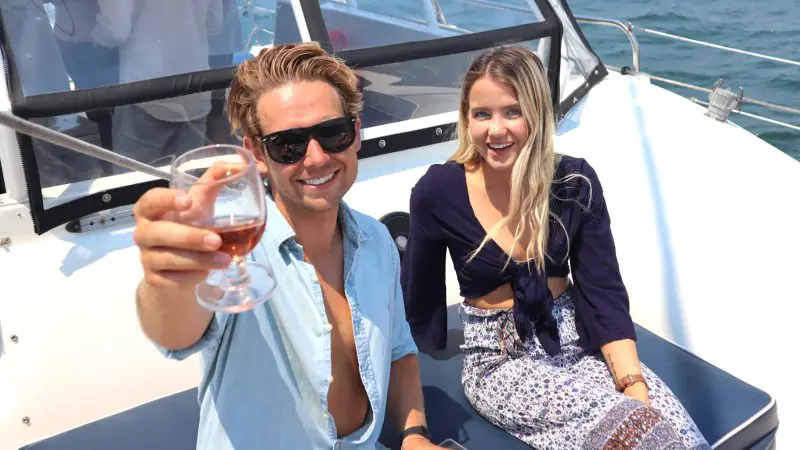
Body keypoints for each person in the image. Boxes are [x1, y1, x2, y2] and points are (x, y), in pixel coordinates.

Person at [133, 42, 443, 450]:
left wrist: (414, 433)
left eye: (333, 133)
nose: (315, 158)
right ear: (257, 154)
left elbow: (399, 349)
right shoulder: (234, 258)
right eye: (288, 145)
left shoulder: (377, 242)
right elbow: (175, 332)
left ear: (356, 134)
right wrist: (168, 280)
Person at [400, 45, 710, 449]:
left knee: (677, 432)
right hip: (500, 360)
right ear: (466, 117)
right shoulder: (438, 192)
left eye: (513, 111)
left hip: (577, 338)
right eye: (482, 114)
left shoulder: (574, 183)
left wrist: (633, 385)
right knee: (640, 433)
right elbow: (417, 300)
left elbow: (602, 293)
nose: (496, 130)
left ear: (538, 114)